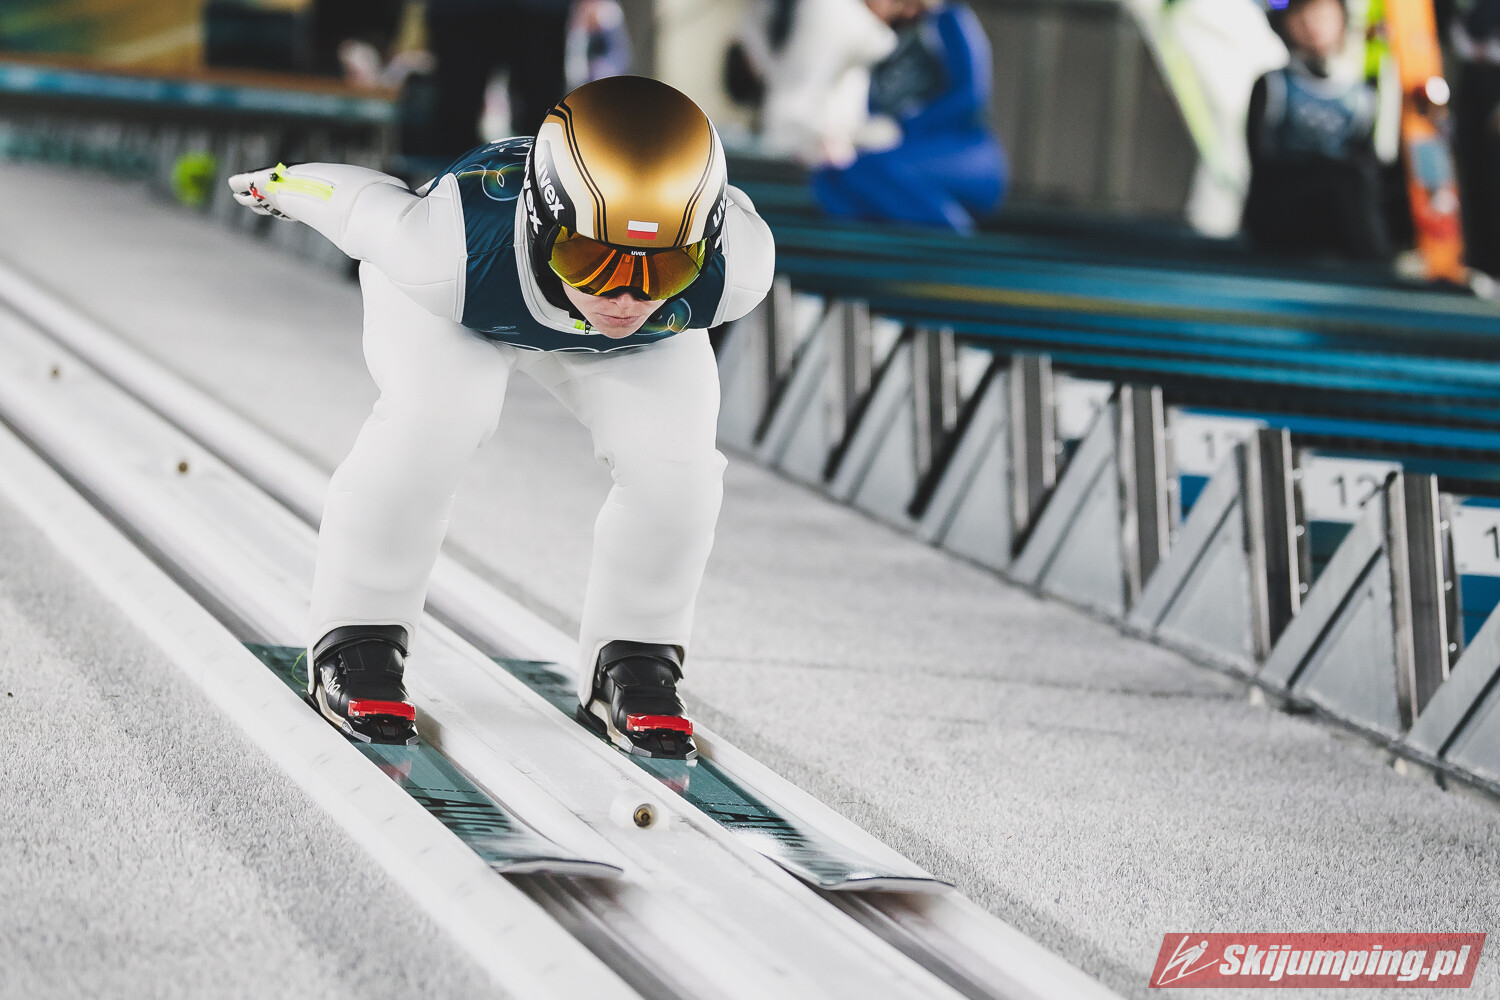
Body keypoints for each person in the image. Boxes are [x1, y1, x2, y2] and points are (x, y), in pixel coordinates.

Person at [228, 76, 776, 760]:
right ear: (543, 223)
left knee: (679, 469)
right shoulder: (448, 246)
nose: (624, 297)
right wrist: (278, 184)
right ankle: (357, 637)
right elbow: (358, 202)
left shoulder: (736, 266)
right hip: (464, 307)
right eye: (592, 258)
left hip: (626, 337)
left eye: (665, 268)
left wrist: (608, 269)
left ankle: (637, 655)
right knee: (435, 420)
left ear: (705, 246)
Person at [811, 0, 1006, 233]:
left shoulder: (946, 19)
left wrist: (902, 129)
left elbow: (969, 98)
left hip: (965, 154)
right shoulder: (875, 35)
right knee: (831, 179)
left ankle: (958, 244)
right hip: (895, 157)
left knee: (871, 170)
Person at [1242, 0, 1391, 261]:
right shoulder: (1274, 85)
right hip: (1280, 214)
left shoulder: (1360, 97)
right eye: (1302, 16)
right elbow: (1262, 162)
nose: (1312, 26)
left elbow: (1366, 163)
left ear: (1342, 22)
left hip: (1338, 219)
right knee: (1344, 181)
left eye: (1323, 16)